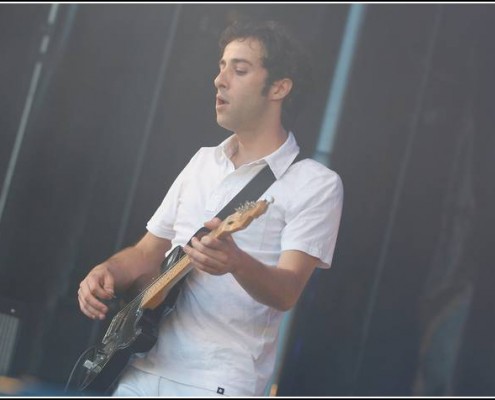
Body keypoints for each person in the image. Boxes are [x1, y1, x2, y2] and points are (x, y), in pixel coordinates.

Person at [77, 19, 343, 397]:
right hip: (139, 365)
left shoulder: (316, 183)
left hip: (216, 379)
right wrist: (107, 271)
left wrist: (236, 262)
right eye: (221, 67)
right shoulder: (202, 161)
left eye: (240, 69)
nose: (220, 80)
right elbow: (147, 252)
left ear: (279, 88)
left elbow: (287, 291)